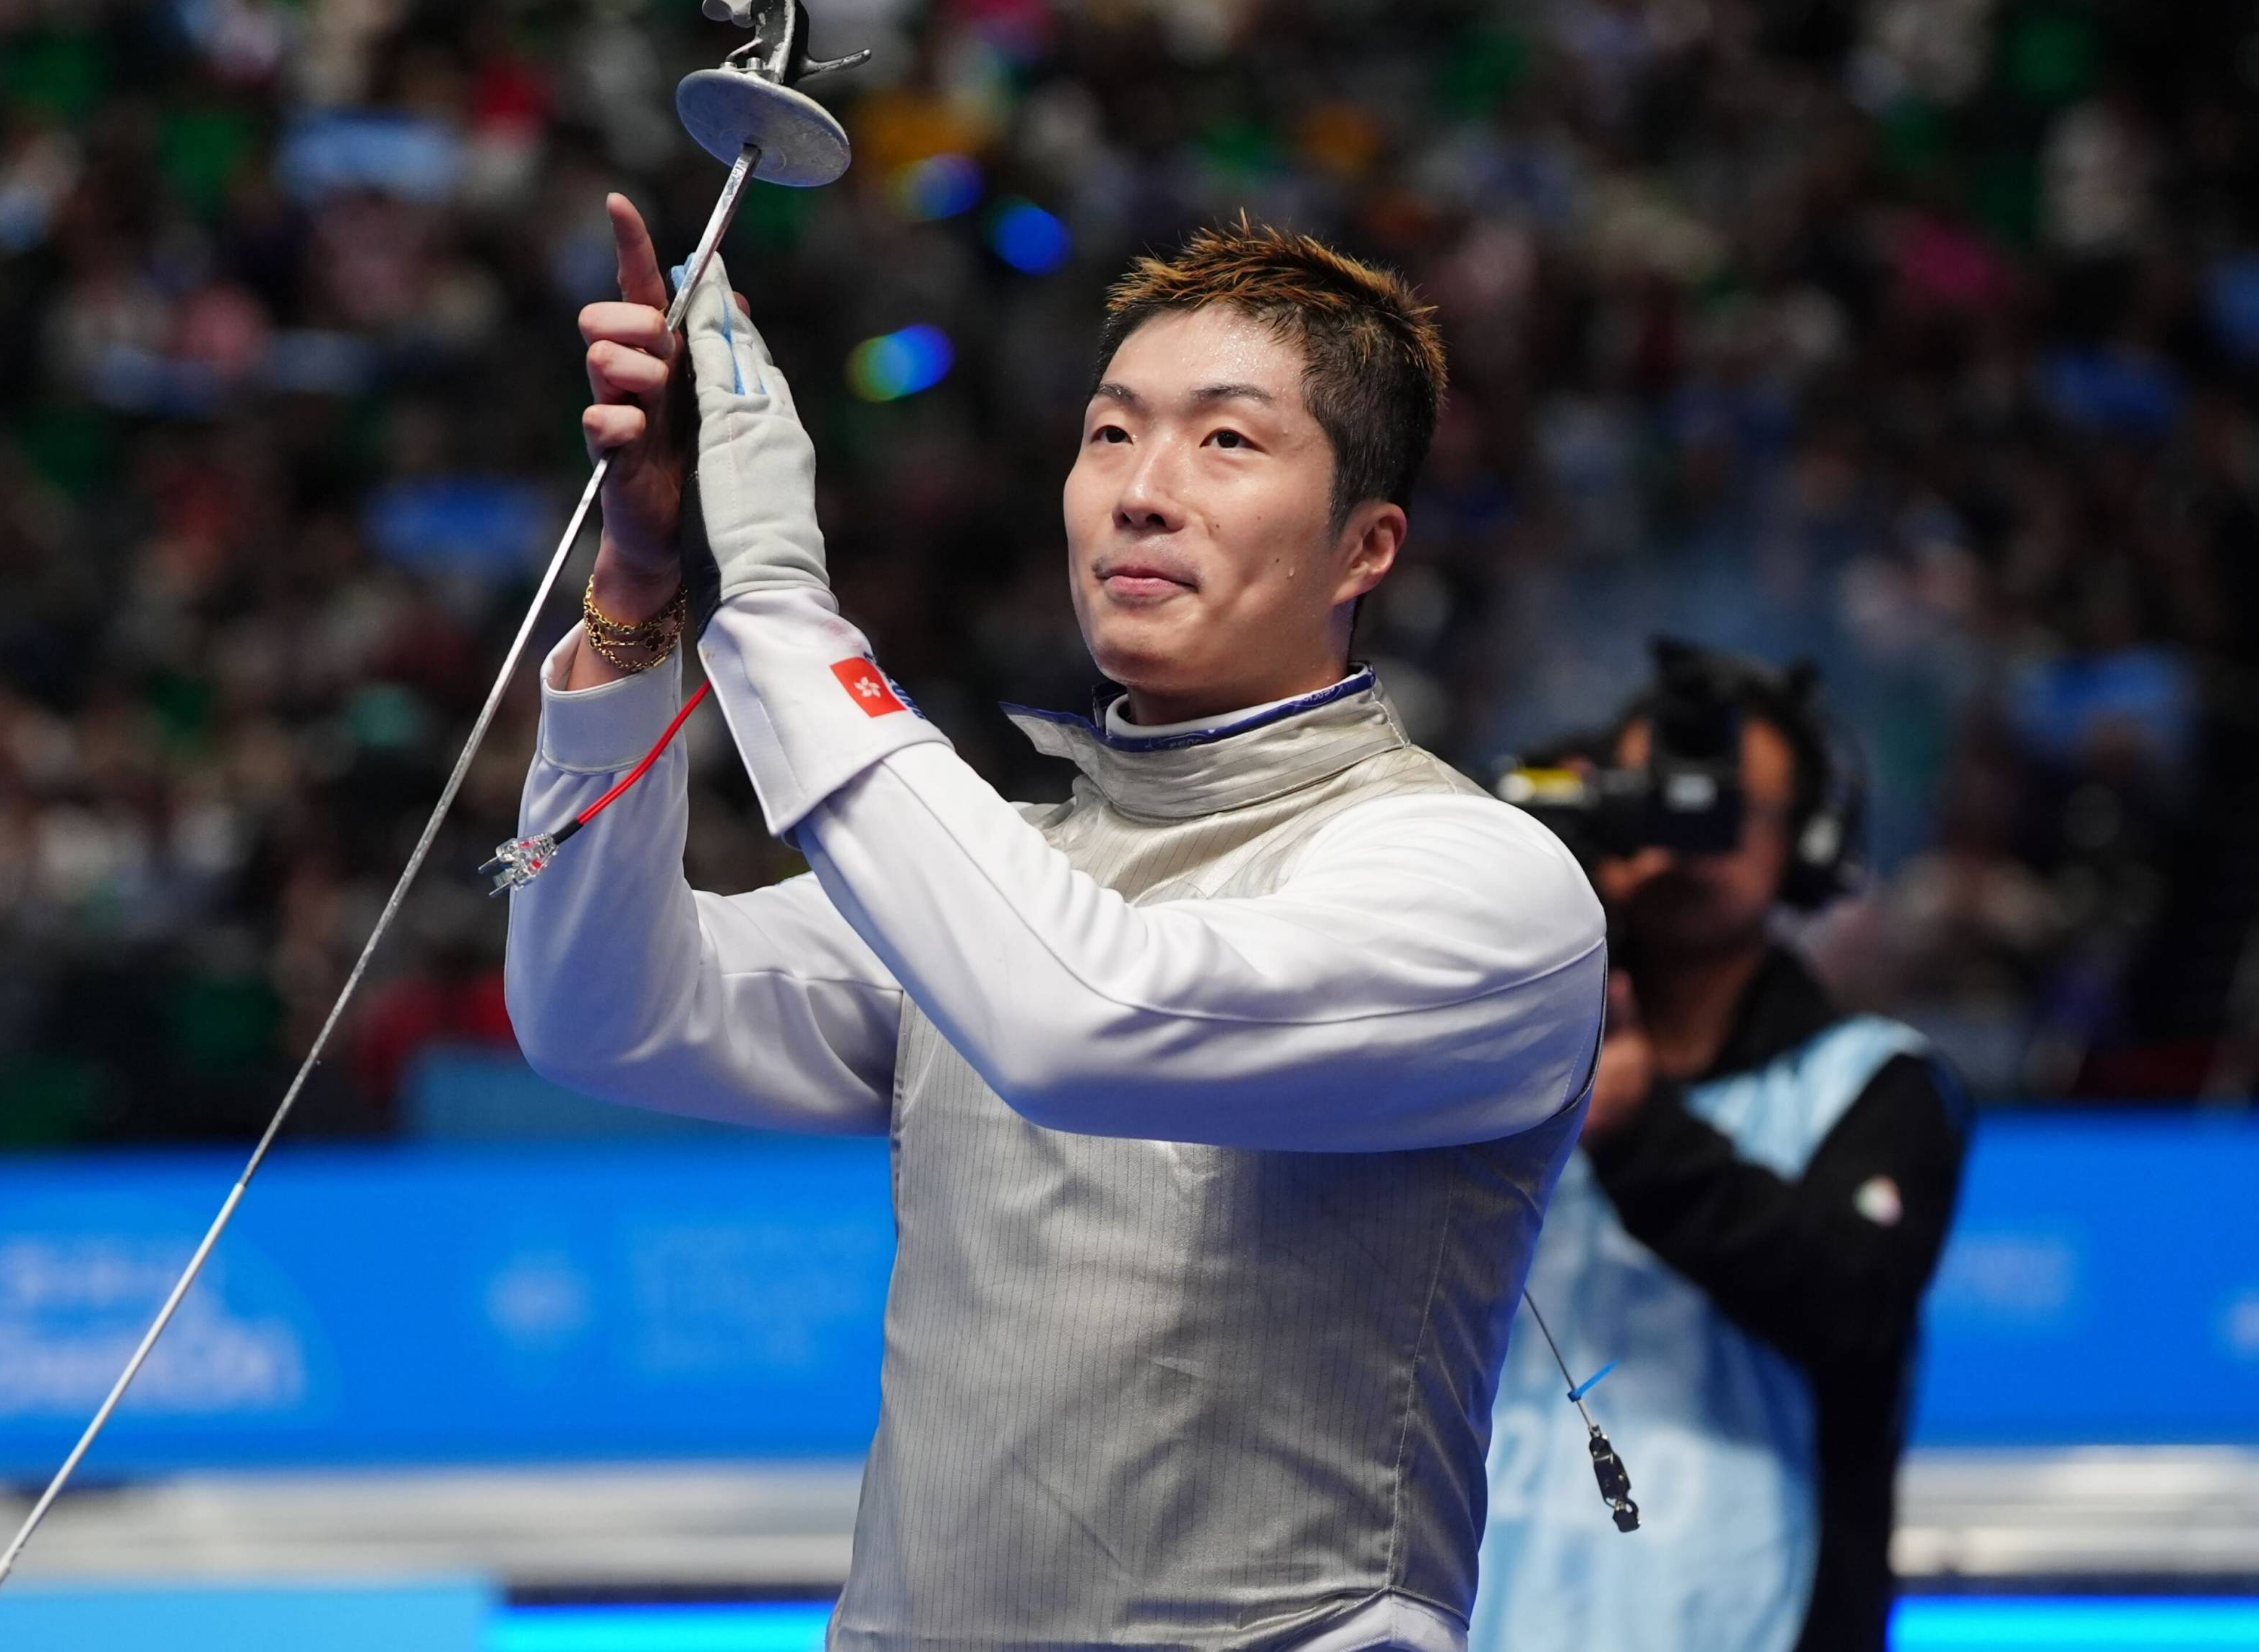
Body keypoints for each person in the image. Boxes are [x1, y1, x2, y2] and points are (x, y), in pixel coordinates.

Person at [505, 196, 1608, 1652]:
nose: (1142, 491)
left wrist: (772, 593)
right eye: (1109, 434)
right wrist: (642, 599)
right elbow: (607, 1017)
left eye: (1226, 440)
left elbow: (1085, 1018)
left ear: (1364, 548)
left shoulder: (1479, 887)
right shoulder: (1004, 879)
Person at [1469, 646, 1971, 1652]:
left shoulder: (1875, 1081)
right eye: (1661, 803)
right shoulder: (1495, 1062)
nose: (1689, 843)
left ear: (1810, 843)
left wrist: (1640, 1124)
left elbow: (1853, 1298)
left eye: (1729, 809)